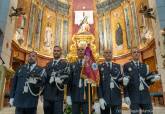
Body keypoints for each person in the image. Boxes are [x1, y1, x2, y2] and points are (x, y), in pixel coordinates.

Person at [123, 48, 160, 114]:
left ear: (140, 54)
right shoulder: (126, 66)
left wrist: (153, 80)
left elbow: (147, 82)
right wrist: (126, 95)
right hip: (133, 97)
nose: (136, 53)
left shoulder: (145, 66)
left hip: (145, 96)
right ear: (131, 54)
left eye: (138, 52)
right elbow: (125, 82)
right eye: (134, 52)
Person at [67, 46, 100, 114]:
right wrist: (68, 95)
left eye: (82, 50)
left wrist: (96, 99)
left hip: (87, 96)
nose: (80, 51)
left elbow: (96, 80)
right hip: (75, 95)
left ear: (85, 52)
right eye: (78, 50)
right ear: (76, 52)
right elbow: (69, 81)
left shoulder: (90, 64)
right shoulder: (72, 65)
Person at [43, 46, 70, 114]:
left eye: (58, 51)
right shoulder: (48, 64)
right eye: (55, 51)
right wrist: (42, 93)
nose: (56, 52)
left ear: (61, 52)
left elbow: (67, 79)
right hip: (47, 95)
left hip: (57, 95)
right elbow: (45, 79)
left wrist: (61, 81)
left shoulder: (65, 64)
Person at [98, 49, 123, 114]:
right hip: (104, 99)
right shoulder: (99, 67)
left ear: (112, 54)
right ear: (103, 55)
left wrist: (124, 81)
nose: (108, 54)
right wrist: (100, 98)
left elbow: (120, 82)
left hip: (117, 99)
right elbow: (99, 84)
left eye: (110, 52)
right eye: (106, 53)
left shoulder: (118, 66)